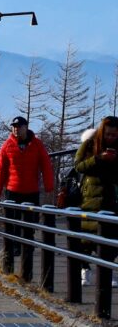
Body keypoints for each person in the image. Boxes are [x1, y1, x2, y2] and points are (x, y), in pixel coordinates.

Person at [0, 116, 54, 259]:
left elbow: (46, 165)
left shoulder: (37, 144)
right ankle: (15, 248)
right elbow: (0, 169)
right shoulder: (7, 145)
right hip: (12, 191)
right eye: (14, 126)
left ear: (26, 127)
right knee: (13, 223)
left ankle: (28, 248)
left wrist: (49, 186)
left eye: (19, 126)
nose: (16, 129)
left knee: (29, 224)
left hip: (31, 192)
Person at [76, 116, 118, 286]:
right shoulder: (89, 144)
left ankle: (108, 271)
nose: (111, 138)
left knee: (111, 238)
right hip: (90, 196)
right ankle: (85, 268)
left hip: (111, 197)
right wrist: (99, 158)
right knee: (86, 237)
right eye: (108, 134)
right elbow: (79, 166)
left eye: (115, 135)